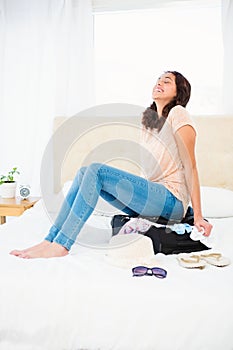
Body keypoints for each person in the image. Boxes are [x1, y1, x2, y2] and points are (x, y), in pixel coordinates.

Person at [10, 71, 213, 259]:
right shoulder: (149, 123)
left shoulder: (179, 113)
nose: (159, 82)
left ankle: (62, 244)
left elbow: (191, 166)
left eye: (167, 81)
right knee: (83, 173)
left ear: (179, 93)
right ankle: (50, 239)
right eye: (158, 79)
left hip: (172, 201)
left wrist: (199, 216)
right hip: (154, 203)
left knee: (97, 170)